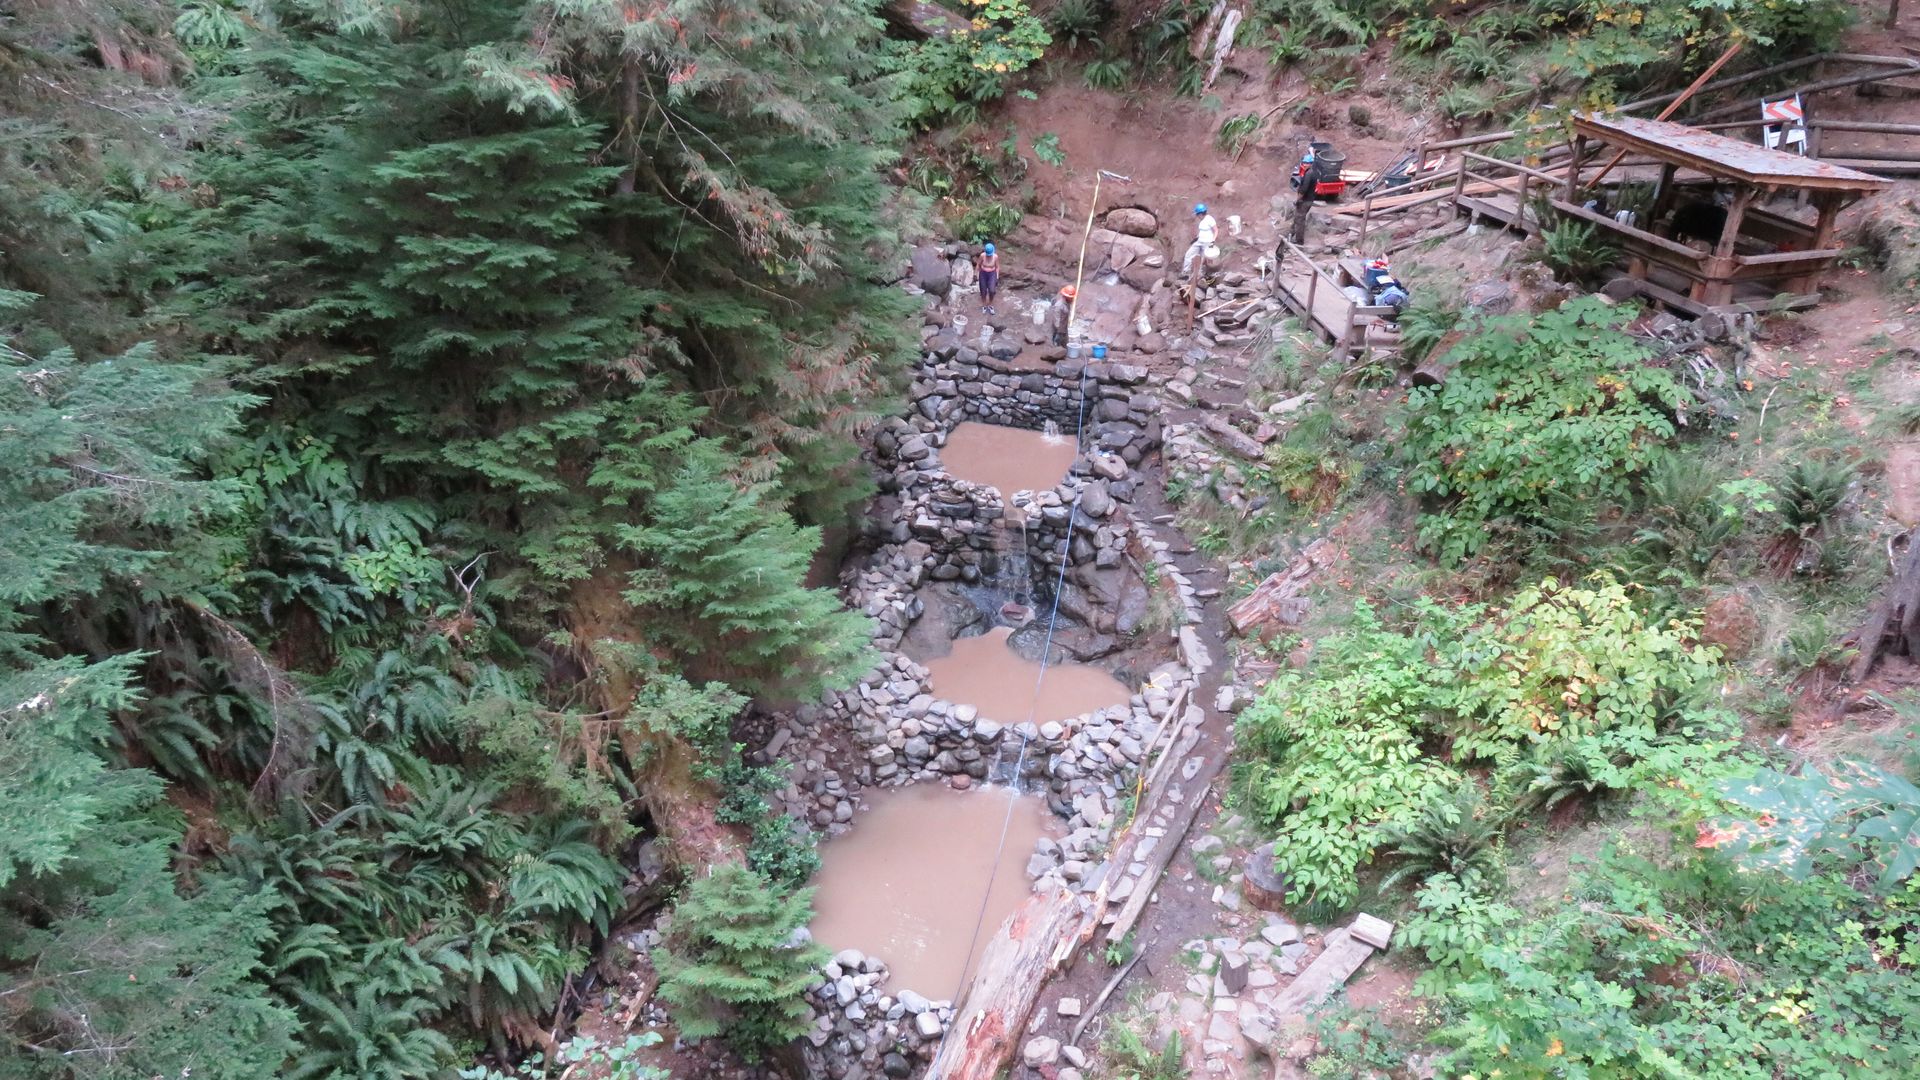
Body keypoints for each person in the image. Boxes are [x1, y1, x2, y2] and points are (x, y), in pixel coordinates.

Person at [1181, 202, 1218, 277]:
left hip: (1207, 242)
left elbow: (1216, 230)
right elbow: (1202, 231)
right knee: (1189, 254)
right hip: (1199, 241)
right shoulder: (1202, 221)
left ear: (1201, 213)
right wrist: (1196, 238)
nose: (1197, 216)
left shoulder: (1210, 219)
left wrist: (1212, 241)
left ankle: (1200, 275)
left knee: (1203, 259)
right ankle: (1186, 272)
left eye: (1197, 214)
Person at [975, 242, 1000, 314]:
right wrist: (975, 274)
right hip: (983, 273)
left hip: (992, 274)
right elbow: (978, 265)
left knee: (992, 290)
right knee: (983, 290)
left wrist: (997, 277)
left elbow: (997, 267)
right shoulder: (982, 256)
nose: (989, 256)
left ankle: (990, 305)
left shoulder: (995, 257)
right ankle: (984, 305)